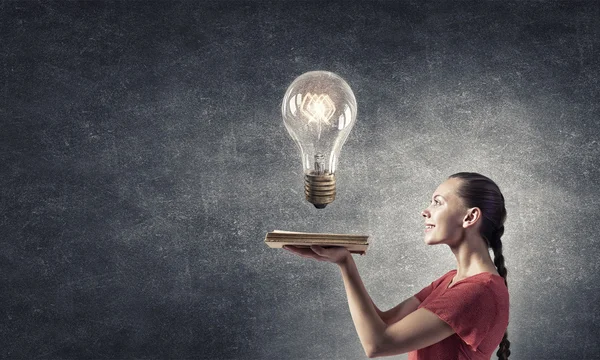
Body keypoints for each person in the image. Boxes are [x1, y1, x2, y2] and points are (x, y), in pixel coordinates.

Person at [284, 172, 511, 359]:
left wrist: (346, 263)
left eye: (438, 202)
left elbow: (378, 344)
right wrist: (343, 262)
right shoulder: (451, 280)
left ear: (470, 217)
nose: (425, 210)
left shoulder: (477, 291)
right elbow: (385, 322)